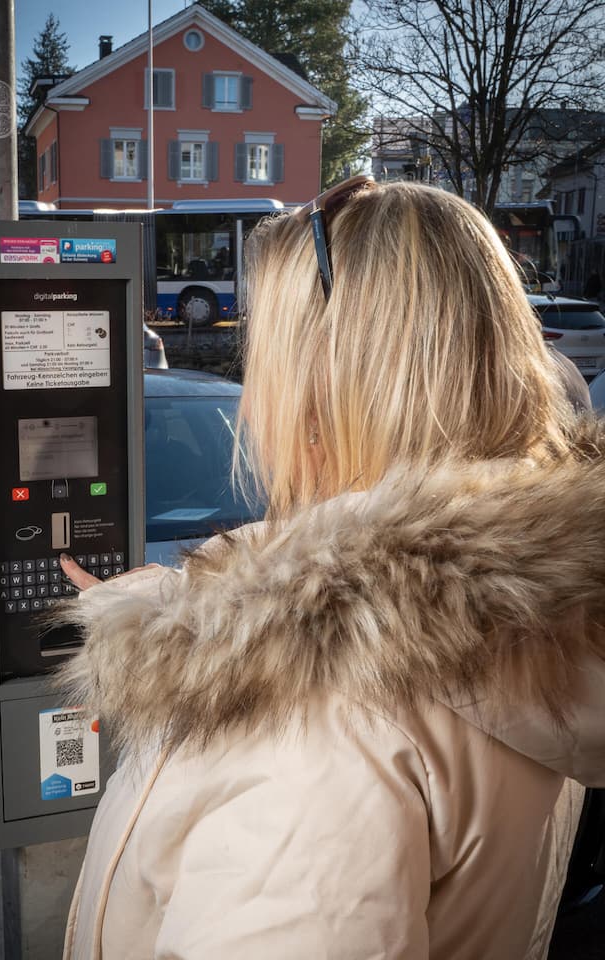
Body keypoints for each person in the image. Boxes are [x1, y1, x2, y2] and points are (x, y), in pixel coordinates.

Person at [58, 179, 605, 960]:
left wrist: (207, 643)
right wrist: (175, 612)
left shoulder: (317, 729)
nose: (251, 411)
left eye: (266, 369)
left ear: (324, 394)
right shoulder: (540, 616)